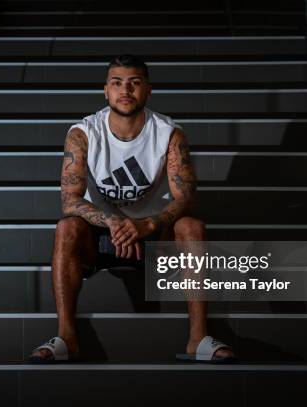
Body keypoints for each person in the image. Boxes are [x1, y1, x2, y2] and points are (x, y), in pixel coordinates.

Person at [29, 55, 235, 363]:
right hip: (101, 236)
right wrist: (113, 221)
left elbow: (187, 198)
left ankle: (198, 338)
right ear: (106, 91)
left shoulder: (169, 133)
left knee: (191, 226)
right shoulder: (83, 133)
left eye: (134, 83)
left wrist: (149, 225)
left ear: (148, 90)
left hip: (155, 240)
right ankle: (67, 336)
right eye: (117, 83)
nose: (125, 90)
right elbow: (69, 199)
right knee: (66, 227)